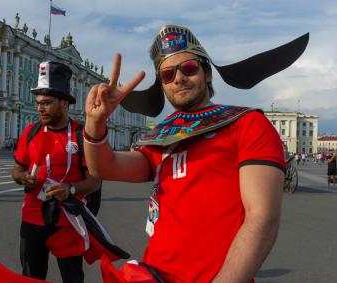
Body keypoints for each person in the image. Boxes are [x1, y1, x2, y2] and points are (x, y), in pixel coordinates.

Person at [83, 24, 308, 282]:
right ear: (163, 85)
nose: (178, 78)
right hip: (153, 275)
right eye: (168, 74)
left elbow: (262, 218)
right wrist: (95, 123)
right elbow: (104, 167)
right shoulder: (163, 135)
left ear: (207, 73)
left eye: (188, 68)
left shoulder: (246, 124)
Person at [11, 61, 101, 282]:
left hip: (68, 221)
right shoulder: (30, 132)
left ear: (64, 103)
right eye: (38, 103)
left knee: (72, 277)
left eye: (47, 103)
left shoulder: (82, 135)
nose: (40, 108)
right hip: (32, 218)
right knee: (31, 277)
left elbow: (95, 181)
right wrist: (22, 178)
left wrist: (70, 189)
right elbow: (17, 168)